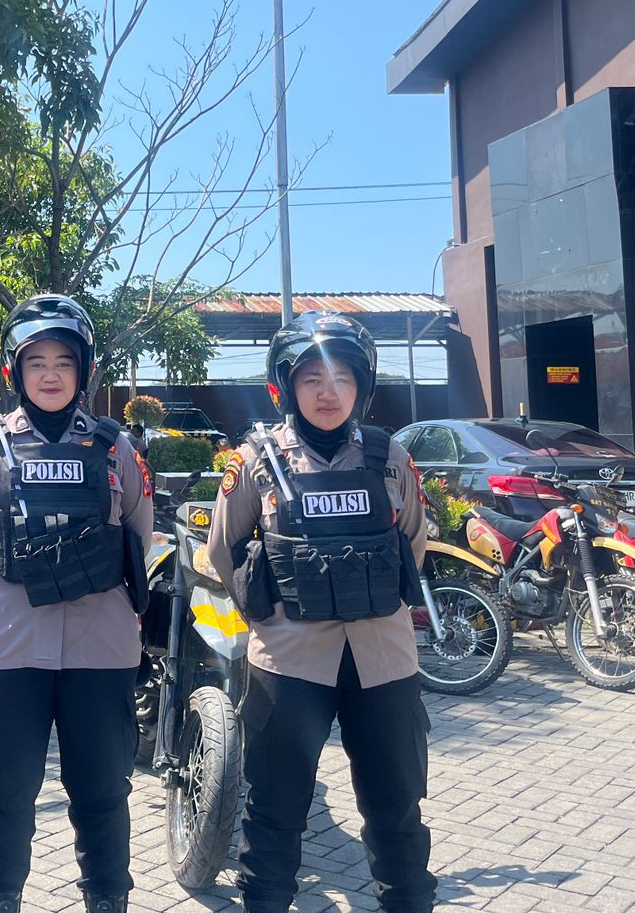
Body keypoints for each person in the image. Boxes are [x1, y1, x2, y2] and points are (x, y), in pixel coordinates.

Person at [204, 311, 435, 913]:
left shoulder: (390, 458)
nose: (327, 392)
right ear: (286, 387)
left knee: (397, 809)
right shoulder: (255, 462)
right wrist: (271, 619)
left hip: (383, 663)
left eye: (341, 378)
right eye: (311, 379)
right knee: (274, 808)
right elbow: (224, 550)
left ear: (362, 386)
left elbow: (412, 542)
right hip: (289, 665)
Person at [0, 294, 154, 913]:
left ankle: (106, 899)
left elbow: (138, 534)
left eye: (64, 362)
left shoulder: (116, 449)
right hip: (8, 650)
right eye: (37, 362)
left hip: (100, 649)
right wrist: (9, 588)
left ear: (84, 371)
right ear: (15, 371)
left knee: (103, 792)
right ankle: (0, 899)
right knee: (5, 792)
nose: (51, 375)